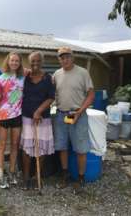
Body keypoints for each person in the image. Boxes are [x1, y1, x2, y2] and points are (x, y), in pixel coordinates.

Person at [53, 47, 95, 192]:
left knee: (80, 148)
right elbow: (50, 93)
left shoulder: (83, 73)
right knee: (62, 146)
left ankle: (81, 178)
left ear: (73, 57)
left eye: (67, 57)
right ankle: (65, 175)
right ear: (59, 59)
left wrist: (79, 112)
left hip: (77, 114)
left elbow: (91, 95)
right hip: (61, 115)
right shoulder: (56, 74)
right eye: (62, 57)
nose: (65, 60)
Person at [20, 51, 55, 190]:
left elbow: (51, 97)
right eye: (32, 61)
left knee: (41, 147)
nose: (35, 63)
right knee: (27, 148)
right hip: (27, 118)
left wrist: (39, 111)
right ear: (29, 63)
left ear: (42, 62)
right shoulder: (26, 77)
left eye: (38, 61)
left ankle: (37, 177)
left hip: (42, 119)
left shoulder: (48, 78)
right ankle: (26, 177)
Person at [0, 52, 24, 189]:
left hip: (17, 115)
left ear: (20, 63)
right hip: (3, 116)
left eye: (17, 61)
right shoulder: (0, 78)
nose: (14, 63)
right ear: (8, 61)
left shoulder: (23, 78)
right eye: (12, 60)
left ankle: (12, 173)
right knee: (2, 146)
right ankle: (0, 176)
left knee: (15, 145)